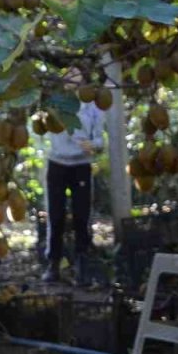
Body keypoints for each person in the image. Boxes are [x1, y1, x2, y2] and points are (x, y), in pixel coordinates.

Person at [42, 98, 106, 285]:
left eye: (76, 71)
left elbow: (100, 140)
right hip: (57, 163)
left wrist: (92, 145)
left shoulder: (92, 106)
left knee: (82, 215)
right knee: (55, 216)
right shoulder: (55, 103)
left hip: (81, 165)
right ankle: (53, 264)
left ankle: (82, 263)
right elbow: (42, 128)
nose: (72, 75)